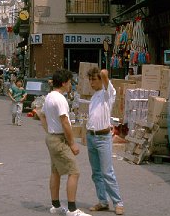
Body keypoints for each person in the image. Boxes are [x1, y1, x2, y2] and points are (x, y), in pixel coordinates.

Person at [38, 68, 91, 216]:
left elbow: (41, 115)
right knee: (74, 171)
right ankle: (72, 210)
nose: (70, 86)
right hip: (59, 139)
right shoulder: (60, 99)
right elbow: (65, 122)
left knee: (55, 171)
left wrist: (49, 131)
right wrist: (73, 143)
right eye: (69, 83)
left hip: (51, 137)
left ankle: (55, 206)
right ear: (63, 83)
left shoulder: (49, 97)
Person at [86, 67, 124, 215]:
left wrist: (103, 75)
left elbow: (106, 78)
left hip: (103, 138)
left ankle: (118, 202)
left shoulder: (108, 94)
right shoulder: (94, 97)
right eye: (90, 79)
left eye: (94, 79)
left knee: (107, 172)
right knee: (96, 173)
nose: (91, 82)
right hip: (91, 136)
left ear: (100, 80)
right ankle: (103, 201)